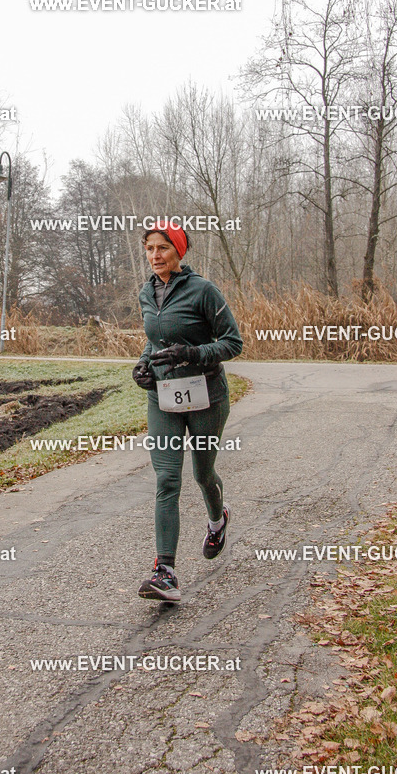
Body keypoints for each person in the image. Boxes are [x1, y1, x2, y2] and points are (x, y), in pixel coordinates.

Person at [132, 221, 243, 602]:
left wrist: (194, 353)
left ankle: (218, 519)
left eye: (162, 248)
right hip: (163, 395)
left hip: (206, 393)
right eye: (149, 249)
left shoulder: (203, 291)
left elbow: (233, 342)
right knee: (167, 479)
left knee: (202, 472)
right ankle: (166, 572)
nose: (155, 256)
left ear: (178, 251)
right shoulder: (147, 293)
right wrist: (143, 366)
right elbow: (154, 341)